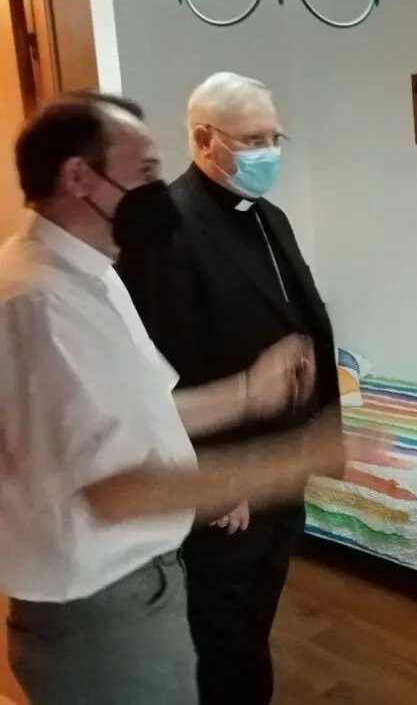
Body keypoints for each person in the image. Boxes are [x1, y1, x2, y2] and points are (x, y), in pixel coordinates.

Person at [0, 93, 365, 704]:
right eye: (144, 171)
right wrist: (297, 458)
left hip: (144, 583)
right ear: (78, 176)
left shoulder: (95, 277)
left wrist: (248, 393)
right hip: (100, 610)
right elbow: (118, 489)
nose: (157, 190)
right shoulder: (39, 305)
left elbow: (150, 412)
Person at [115, 72, 341, 705]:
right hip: (227, 480)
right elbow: (158, 368)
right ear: (204, 139)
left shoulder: (269, 215)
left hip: (282, 461)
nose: (268, 152)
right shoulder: (165, 227)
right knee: (222, 632)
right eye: (252, 139)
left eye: (274, 138)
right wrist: (213, 478)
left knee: (257, 614)